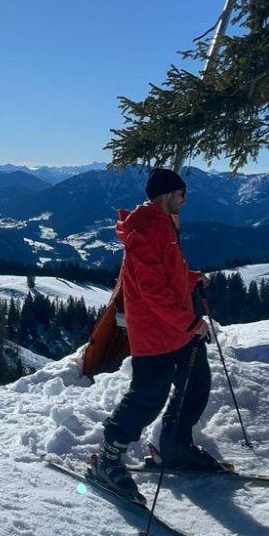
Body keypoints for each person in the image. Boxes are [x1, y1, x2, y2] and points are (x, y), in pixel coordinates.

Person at [91, 168, 218, 501]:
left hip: (176, 329)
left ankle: (174, 444)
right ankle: (108, 456)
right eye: (181, 194)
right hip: (155, 332)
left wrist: (190, 278)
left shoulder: (163, 226)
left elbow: (166, 274)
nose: (185, 200)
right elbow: (151, 290)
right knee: (149, 395)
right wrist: (190, 323)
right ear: (165, 196)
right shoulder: (147, 230)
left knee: (196, 382)